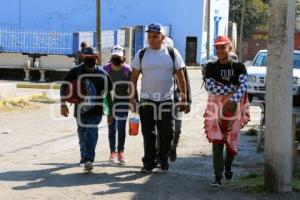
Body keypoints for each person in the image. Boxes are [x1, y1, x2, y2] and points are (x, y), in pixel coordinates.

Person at [129, 23, 189, 172]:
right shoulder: (141, 54)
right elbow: (133, 78)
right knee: (148, 134)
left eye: (155, 36)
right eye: (149, 36)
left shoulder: (171, 53)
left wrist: (184, 98)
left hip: (166, 100)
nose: (151, 39)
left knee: (167, 133)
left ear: (162, 37)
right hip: (147, 100)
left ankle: (163, 158)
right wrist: (132, 99)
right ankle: (148, 163)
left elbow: (181, 77)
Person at [203, 35, 250, 186]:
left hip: (234, 108)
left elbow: (243, 86)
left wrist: (233, 99)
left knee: (231, 139)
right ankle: (217, 177)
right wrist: (231, 88)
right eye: (217, 47)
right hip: (215, 108)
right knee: (217, 140)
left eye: (223, 47)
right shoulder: (210, 66)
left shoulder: (238, 66)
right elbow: (211, 87)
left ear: (230, 48)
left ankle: (228, 165)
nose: (220, 50)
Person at [60, 48, 113, 172]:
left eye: (93, 57)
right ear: (83, 57)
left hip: (96, 111)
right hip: (80, 111)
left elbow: (108, 94)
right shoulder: (76, 71)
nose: (90, 59)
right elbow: (64, 86)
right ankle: (84, 157)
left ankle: (89, 159)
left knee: (91, 131)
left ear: (97, 58)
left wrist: (110, 112)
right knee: (82, 133)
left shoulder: (102, 73)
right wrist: (63, 104)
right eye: (87, 57)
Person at [162, 37, 192, 162]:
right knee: (162, 130)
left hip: (176, 101)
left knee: (177, 130)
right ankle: (161, 155)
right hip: (162, 101)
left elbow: (186, 82)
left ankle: (172, 148)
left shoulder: (179, 64)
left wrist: (187, 101)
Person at [103, 45, 131, 164]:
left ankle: (121, 151)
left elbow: (132, 86)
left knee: (121, 126)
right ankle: (112, 152)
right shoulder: (105, 69)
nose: (116, 58)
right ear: (111, 56)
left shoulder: (127, 70)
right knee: (111, 127)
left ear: (123, 57)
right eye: (114, 56)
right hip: (110, 102)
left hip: (123, 101)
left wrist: (134, 101)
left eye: (118, 56)